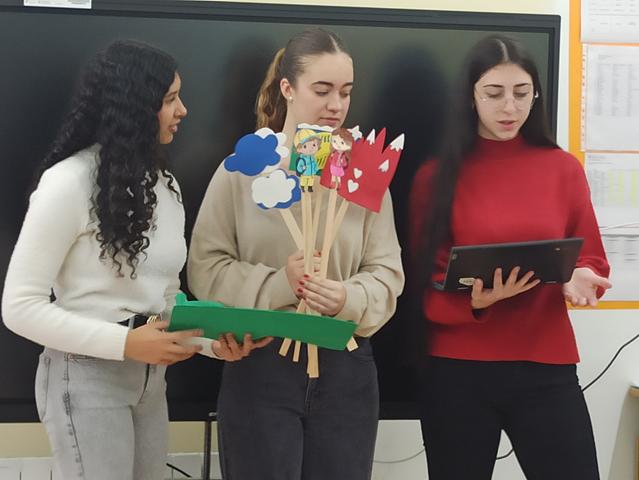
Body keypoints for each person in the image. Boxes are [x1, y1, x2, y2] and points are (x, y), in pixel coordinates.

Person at [187, 27, 404, 480]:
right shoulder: (241, 172)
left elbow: (386, 272)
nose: (336, 105)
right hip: (261, 363)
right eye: (322, 90)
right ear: (287, 88)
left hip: (346, 365)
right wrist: (280, 284)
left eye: (345, 92)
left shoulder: (363, 174)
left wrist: (347, 298)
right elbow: (206, 268)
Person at [410, 34, 611, 480]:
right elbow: (421, 284)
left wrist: (580, 275)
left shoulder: (562, 168)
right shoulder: (436, 176)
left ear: (536, 94)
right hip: (458, 370)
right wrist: (476, 302)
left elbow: (591, 258)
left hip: (545, 364)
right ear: (471, 96)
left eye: (522, 93)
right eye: (494, 93)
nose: (509, 107)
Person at [2, 39, 204, 480]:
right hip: (85, 376)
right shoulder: (68, 182)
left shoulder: (165, 186)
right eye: (170, 99)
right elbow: (18, 307)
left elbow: (166, 297)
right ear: (136, 106)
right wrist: (125, 344)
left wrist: (210, 340)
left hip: (151, 381)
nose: (183, 110)